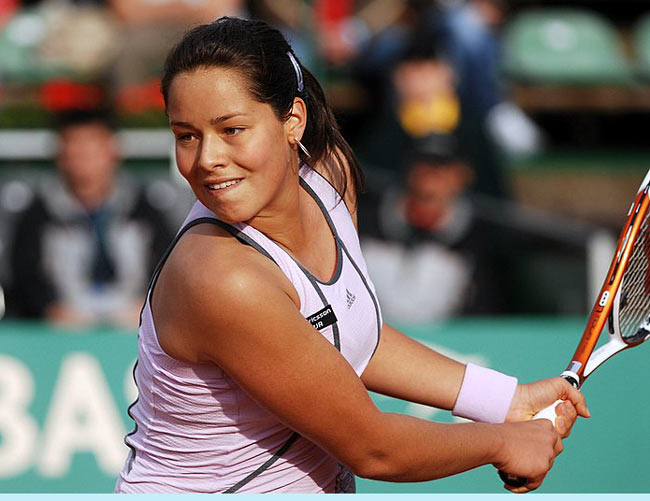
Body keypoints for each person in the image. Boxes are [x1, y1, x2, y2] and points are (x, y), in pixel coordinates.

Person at [114, 17, 589, 494]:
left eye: (232, 129)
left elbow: (353, 334)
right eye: (186, 135)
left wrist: (506, 400)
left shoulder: (332, 178)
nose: (207, 159)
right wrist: (504, 442)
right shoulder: (220, 278)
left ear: (293, 120)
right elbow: (372, 449)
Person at [7, 109, 174, 327]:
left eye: (92, 147)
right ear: (60, 154)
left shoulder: (145, 209)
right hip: (58, 328)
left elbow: (167, 266)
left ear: (113, 150)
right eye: (74, 146)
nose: (82, 157)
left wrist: (147, 307)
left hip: (134, 321)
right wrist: (49, 310)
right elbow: (25, 275)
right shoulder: (37, 215)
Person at [358, 135, 509, 322]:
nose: (430, 176)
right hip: (368, 339)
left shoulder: (480, 238)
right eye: (422, 164)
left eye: (442, 167)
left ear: (463, 176)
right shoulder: (362, 223)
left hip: (449, 344)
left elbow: (488, 312)